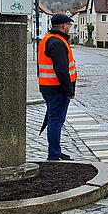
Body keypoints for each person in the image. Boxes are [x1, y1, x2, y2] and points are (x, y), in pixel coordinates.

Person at [38, 14, 77, 161]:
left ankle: (55, 151)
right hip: (57, 89)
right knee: (55, 121)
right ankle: (53, 154)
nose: (69, 28)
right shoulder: (57, 42)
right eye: (69, 25)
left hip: (48, 86)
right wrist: (69, 91)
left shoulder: (47, 39)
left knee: (54, 120)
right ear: (63, 26)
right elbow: (61, 69)